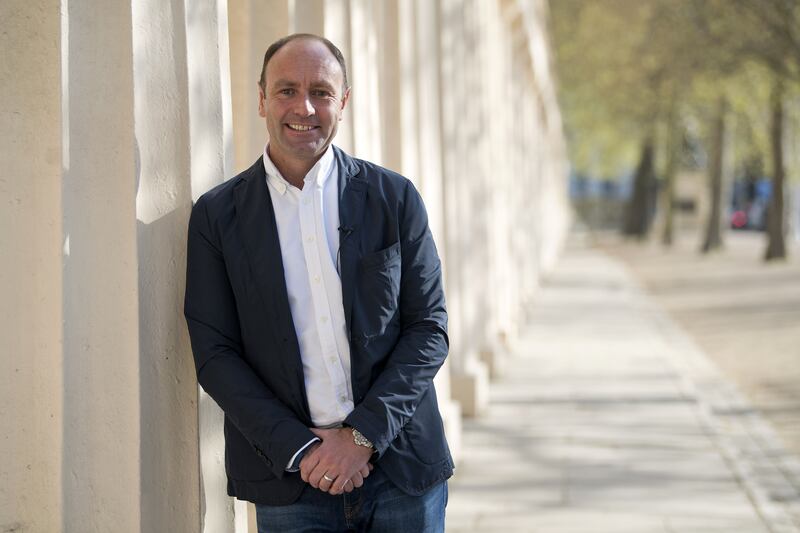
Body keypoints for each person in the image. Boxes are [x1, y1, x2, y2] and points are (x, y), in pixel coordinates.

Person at [184, 33, 453, 532]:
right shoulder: (217, 216)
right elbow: (216, 353)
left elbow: (429, 329)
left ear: (343, 102)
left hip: (402, 471)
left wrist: (361, 437)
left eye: (321, 92)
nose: (304, 107)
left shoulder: (393, 198)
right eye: (286, 90)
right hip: (289, 480)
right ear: (262, 99)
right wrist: (301, 449)